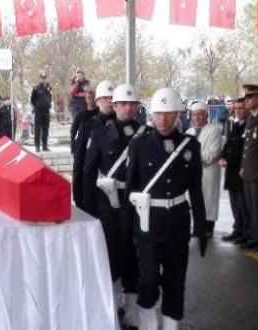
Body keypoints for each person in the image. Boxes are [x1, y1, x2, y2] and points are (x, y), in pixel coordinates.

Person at [125, 87, 206, 330]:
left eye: (168, 113)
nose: (163, 118)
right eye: (159, 113)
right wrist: (127, 228)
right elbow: (130, 189)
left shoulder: (190, 145)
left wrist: (201, 229)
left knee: (175, 279)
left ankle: (171, 325)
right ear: (151, 114)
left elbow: (196, 190)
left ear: (178, 113)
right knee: (149, 279)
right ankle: (148, 324)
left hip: (178, 222)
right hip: (147, 222)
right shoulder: (138, 145)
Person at [83, 83, 148, 329]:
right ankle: (111, 309)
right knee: (110, 255)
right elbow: (89, 172)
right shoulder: (100, 133)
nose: (128, 108)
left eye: (132, 104)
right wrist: (88, 210)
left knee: (133, 255)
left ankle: (132, 311)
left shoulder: (147, 133)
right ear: (115, 105)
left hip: (136, 204)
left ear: (137, 106)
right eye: (123, 103)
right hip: (107, 204)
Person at [237, 84, 258, 251]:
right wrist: (243, 165)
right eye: (246, 98)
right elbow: (247, 146)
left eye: (250, 97)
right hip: (249, 169)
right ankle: (254, 236)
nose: (247, 100)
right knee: (251, 206)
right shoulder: (251, 118)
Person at [72, 80, 116, 211]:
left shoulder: (123, 127)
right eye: (105, 98)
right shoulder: (87, 127)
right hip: (93, 190)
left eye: (112, 98)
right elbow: (79, 163)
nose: (109, 101)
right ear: (98, 100)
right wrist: (78, 195)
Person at [186, 102, 222, 238]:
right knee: (194, 200)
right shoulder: (189, 132)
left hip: (208, 172)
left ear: (206, 116)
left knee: (208, 200)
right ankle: (197, 227)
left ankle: (208, 228)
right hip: (192, 173)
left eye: (200, 115)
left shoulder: (214, 130)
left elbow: (211, 154)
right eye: (194, 115)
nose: (196, 118)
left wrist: (192, 154)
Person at [219, 98, 249, 244]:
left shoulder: (249, 126)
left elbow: (244, 150)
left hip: (240, 170)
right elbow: (229, 144)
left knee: (244, 205)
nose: (237, 111)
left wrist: (229, 160)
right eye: (235, 108)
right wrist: (223, 156)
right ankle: (238, 229)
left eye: (241, 108)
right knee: (235, 203)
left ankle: (245, 232)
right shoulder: (236, 125)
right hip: (231, 171)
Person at [70, 84, 102, 155]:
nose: (91, 100)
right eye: (89, 98)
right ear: (86, 99)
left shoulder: (101, 114)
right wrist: (73, 148)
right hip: (83, 147)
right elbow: (73, 132)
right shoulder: (80, 115)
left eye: (92, 97)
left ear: (96, 99)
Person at [31, 72, 53, 152]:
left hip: (46, 111)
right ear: (40, 79)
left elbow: (50, 97)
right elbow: (32, 99)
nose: (44, 80)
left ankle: (45, 145)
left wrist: (48, 104)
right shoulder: (36, 88)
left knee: (46, 128)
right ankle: (37, 146)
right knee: (37, 129)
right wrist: (37, 105)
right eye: (42, 78)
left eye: (45, 78)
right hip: (39, 110)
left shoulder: (49, 88)